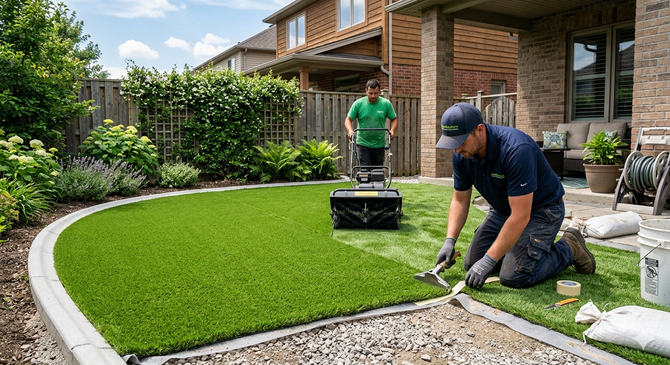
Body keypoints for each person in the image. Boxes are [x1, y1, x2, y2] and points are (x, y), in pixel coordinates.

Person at [434, 103, 596, 289]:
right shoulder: (462, 155)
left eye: (460, 142)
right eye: (452, 144)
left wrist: (489, 260)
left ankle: (570, 247)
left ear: (479, 130)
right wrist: (449, 241)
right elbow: (460, 200)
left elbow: (520, 216)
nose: (456, 150)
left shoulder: (516, 149)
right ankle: (516, 250)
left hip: (542, 211)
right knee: (472, 265)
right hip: (502, 211)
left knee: (513, 276)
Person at [344, 79, 398, 169]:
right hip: (363, 143)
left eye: (376, 93)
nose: (373, 96)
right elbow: (348, 120)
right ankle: (362, 182)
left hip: (379, 143)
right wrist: (350, 131)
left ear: (379, 91)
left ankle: (376, 181)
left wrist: (392, 130)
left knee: (377, 172)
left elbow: (394, 119)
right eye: (370, 93)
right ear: (366, 91)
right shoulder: (358, 104)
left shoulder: (386, 104)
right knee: (364, 171)